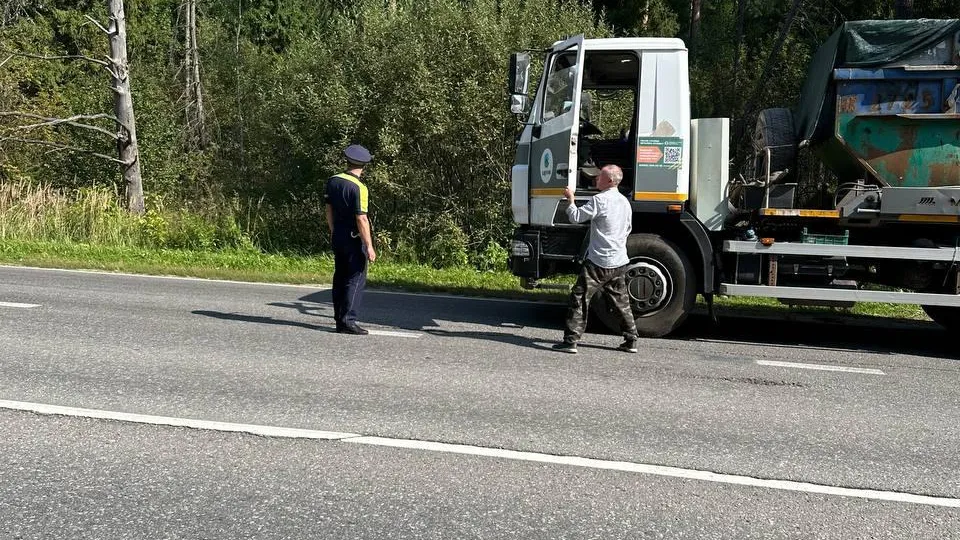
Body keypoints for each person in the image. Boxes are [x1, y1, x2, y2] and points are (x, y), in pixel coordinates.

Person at [553, 164, 638, 354]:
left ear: (609, 181)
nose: (596, 179)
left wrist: (570, 199)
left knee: (580, 298)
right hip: (619, 260)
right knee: (621, 301)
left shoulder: (599, 200)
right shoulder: (625, 202)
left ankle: (571, 341)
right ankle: (631, 339)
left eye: (600, 176)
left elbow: (575, 217)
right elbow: (628, 228)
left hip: (598, 261)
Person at [325, 144, 377, 335]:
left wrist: (333, 230)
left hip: (338, 234)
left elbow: (328, 209)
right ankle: (349, 320)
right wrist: (369, 245)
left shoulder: (333, 181)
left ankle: (339, 319)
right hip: (354, 238)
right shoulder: (359, 187)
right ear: (364, 165)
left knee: (339, 277)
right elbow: (361, 218)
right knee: (355, 278)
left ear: (347, 161)